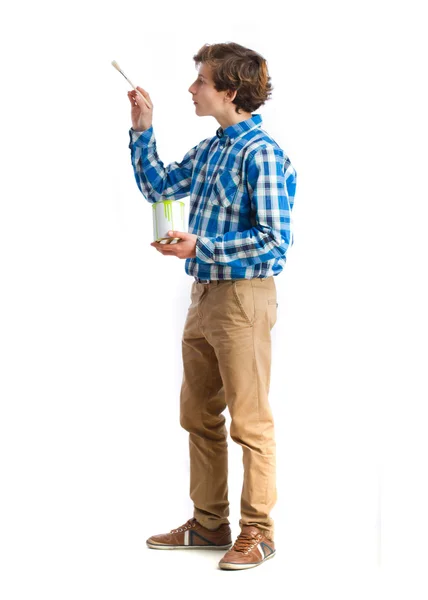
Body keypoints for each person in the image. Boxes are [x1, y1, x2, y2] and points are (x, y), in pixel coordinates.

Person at [127, 42, 297, 571]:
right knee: (197, 415)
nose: (191, 89)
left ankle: (259, 533)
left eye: (200, 81)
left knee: (250, 422)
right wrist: (142, 128)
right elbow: (157, 186)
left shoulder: (260, 153)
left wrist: (201, 245)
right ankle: (208, 524)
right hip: (202, 296)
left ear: (229, 90)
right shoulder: (211, 149)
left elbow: (274, 243)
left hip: (243, 300)